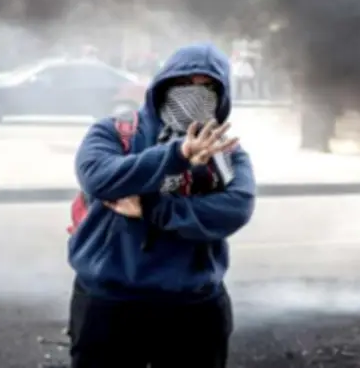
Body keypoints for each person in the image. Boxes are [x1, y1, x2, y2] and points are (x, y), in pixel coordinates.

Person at [69, 43, 256, 368]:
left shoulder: (226, 154)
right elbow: (98, 177)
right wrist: (177, 155)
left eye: (207, 87)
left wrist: (154, 208)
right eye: (184, 83)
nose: (194, 94)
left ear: (222, 97)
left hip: (193, 305)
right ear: (163, 85)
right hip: (109, 301)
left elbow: (236, 208)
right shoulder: (115, 132)